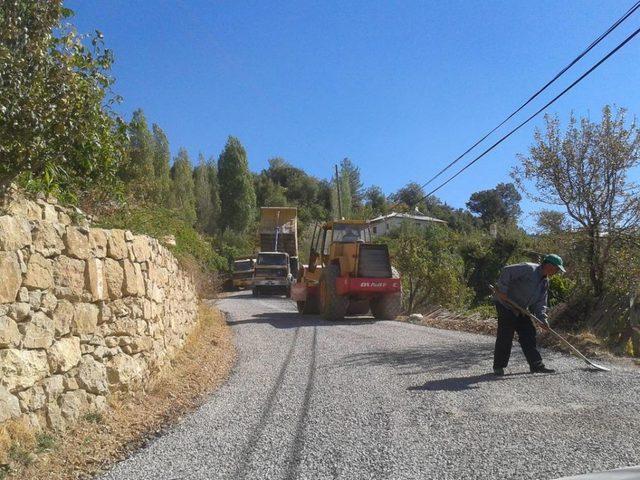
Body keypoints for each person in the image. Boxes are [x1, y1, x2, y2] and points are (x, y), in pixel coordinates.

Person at [492, 254, 565, 376]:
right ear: (548, 265)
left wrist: (542, 319)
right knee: (506, 334)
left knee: (529, 333)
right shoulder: (529, 269)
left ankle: (536, 364)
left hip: (521, 308)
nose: (557, 272)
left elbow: (541, 302)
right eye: (556, 268)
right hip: (505, 304)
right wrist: (503, 290)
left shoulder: (545, 282)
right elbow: (507, 271)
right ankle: (498, 366)